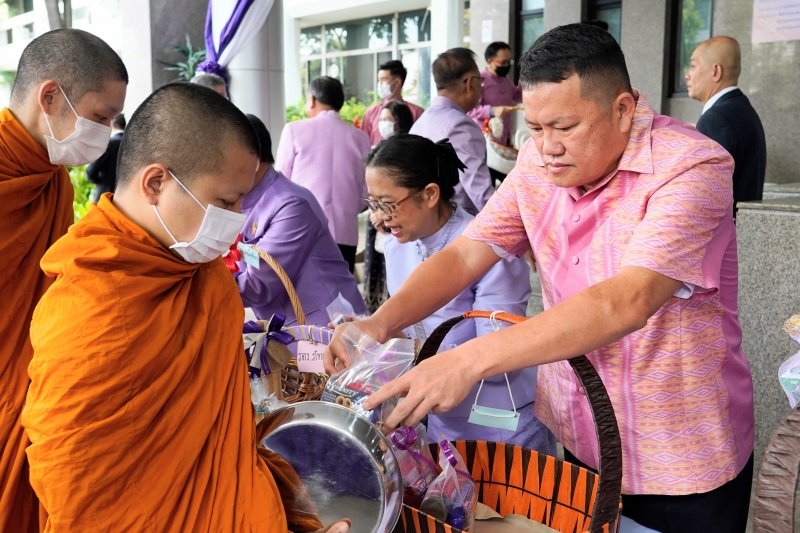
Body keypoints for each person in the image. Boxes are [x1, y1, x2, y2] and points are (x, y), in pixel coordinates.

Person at [327, 24, 755, 533]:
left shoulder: (691, 165)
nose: (547, 146)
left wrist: (466, 361)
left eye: (565, 126)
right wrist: (377, 324)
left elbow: (627, 300)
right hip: (582, 431)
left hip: (676, 453)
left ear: (622, 109)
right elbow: (467, 254)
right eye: (535, 126)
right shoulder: (537, 161)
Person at [21, 82, 349, 533]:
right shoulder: (87, 304)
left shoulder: (205, 273)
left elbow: (223, 428)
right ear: (156, 183)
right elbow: (74, 477)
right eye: (226, 202)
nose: (235, 223)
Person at [0, 29, 127, 533]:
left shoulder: (49, 174)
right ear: (49, 96)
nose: (107, 131)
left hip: (33, 382)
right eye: (100, 117)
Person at [366, 133, 554, 451]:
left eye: (388, 204)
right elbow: (406, 329)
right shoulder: (395, 247)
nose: (381, 217)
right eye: (373, 204)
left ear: (429, 194)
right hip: (441, 414)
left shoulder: (489, 249)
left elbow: (497, 348)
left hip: (500, 420)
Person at [236, 114, 367, 326]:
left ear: (254, 162)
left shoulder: (290, 205)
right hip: (293, 327)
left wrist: (200, 283)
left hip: (327, 326)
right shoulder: (247, 199)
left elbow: (259, 285)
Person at [275, 76, 370, 273]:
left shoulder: (294, 130)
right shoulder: (361, 138)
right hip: (346, 232)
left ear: (311, 100)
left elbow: (280, 183)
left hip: (302, 231)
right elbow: (365, 193)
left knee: (303, 297)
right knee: (341, 297)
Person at [686, 36, 766, 218]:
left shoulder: (716, 119)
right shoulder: (742, 110)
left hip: (720, 239)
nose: (687, 74)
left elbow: (703, 195)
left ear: (716, 71)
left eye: (693, 65)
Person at [410, 48, 493, 215]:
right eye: (480, 80)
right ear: (470, 83)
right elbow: (480, 192)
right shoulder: (461, 126)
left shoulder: (421, 122)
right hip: (455, 226)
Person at [364, 100, 414, 312]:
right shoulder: (376, 152)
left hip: (397, 221)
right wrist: (374, 211)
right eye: (381, 119)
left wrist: (382, 212)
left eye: (388, 119)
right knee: (377, 269)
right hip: (377, 221)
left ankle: (392, 310)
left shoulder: (408, 153)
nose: (382, 123)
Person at [467, 42, 522, 147]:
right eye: (503, 62)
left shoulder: (506, 80)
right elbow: (471, 110)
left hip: (505, 137)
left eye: (509, 62)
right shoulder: (479, 80)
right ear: (490, 61)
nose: (506, 65)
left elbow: (517, 96)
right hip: (485, 139)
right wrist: (491, 111)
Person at [361, 60, 425, 146]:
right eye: (378, 80)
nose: (379, 84)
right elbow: (362, 144)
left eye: (383, 79)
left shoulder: (416, 112)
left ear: (397, 82)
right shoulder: (371, 113)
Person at [86, 112, 125, 201]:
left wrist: (103, 181)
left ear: (111, 124)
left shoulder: (109, 143)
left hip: (105, 196)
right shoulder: (133, 144)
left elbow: (91, 172)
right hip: (125, 200)